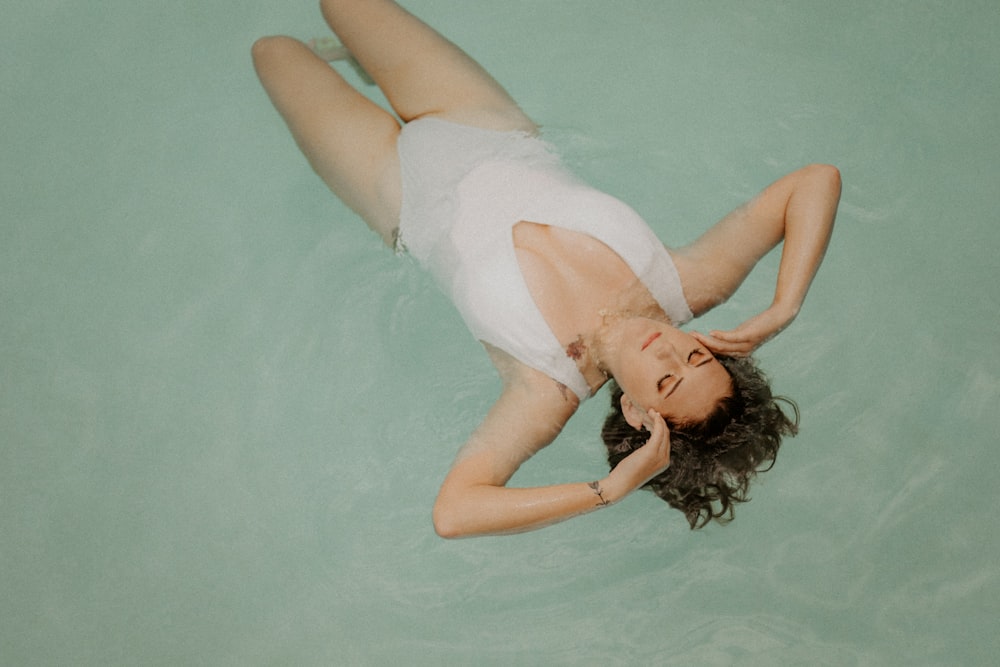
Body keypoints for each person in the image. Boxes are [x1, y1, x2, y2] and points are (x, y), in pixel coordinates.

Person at [252, 0, 841, 538]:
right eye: (697, 357)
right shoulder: (686, 283)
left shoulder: (546, 389)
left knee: (274, 51)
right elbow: (815, 181)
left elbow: (453, 513)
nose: (669, 352)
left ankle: (356, 66)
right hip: (480, 121)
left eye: (665, 383)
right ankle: (361, 58)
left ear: (638, 413)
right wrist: (785, 306)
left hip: (394, 192)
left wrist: (609, 489)